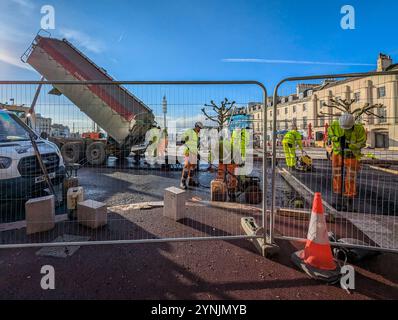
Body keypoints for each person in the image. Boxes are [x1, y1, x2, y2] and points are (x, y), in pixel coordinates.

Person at [328, 113, 366, 198]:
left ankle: (349, 193)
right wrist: (337, 139)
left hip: (352, 154)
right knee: (336, 173)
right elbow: (330, 135)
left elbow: (362, 142)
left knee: (351, 176)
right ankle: (337, 190)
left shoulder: (359, 129)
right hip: (338, 153)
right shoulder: (334, 125)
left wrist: (350, 146)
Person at [180, 121, 203, 189]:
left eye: (201, 129)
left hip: (194, 152)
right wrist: (183, 139)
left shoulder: (197, 135)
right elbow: (183, 137)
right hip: (188, 151)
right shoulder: (190, 131)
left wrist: (197, 153)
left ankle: (190, 181)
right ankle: (183, 182)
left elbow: (196, 146)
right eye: (199, 128)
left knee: (193, 167)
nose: (200, 130)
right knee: (187, 166)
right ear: (196, 126)